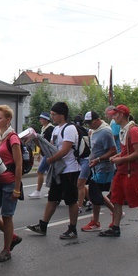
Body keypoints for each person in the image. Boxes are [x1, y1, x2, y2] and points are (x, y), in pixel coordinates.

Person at [99, 105, 138, 240]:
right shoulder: (124, 130)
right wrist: (118, 156)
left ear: (122, 114)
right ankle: (115, 228)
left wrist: (120, 159)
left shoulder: (133, 131)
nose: (113, 117)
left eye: (115, 115)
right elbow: (127, 151)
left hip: (132, 171)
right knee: (117, 199)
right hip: (122, 171)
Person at [27, 101, 80, 239]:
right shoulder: (56, 129)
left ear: (62, 115)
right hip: (58, 169)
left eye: (54, 114)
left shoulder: (69, 128)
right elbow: (51, 147)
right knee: (52, 198)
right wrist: (37, 141)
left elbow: (65, 150)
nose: (53, 117)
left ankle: (73, 229)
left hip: (69, 169)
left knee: (71, 200)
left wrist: (50, 160)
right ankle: (43, 225)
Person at [0, 105, 23, 262]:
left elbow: (19, 164)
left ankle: (6, 249)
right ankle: (12, 237)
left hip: (9, 182)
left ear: (8, 119)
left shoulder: (12, 138)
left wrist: (16, 188)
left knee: (7, 217)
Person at [82, 111, 117, 232]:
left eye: (90, 123)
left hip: (104, 168)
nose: (89, 125)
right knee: (96, 195)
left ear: (97, 120)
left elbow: (113, 150)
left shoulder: (105, 132)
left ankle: (96, 221)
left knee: (95, 194)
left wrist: (98, 159)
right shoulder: (94, 131)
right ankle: (115, 213)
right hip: (96, 167)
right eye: (87, 123)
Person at [28, 112, 54, 198]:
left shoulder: (50, 129)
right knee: (50, 172)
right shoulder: (44, 128)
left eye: (41, 119)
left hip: (49, 154)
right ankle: (51, 190)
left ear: (46, 120)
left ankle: (38, 191)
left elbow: (46, 144)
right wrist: (39, 153)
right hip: (46, 154)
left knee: (40, 171)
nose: (40, 120)